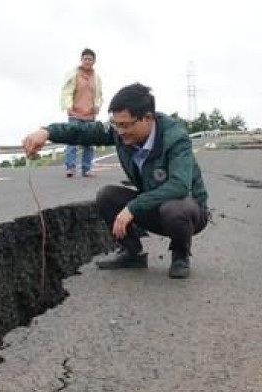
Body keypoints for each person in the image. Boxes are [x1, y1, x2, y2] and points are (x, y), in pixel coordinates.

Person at [23, 83, 209, 279]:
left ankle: (180, 254)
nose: (119, 131)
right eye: (116, 124)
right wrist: (47, 132)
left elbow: (179, 186)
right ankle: (132, 253)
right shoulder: (119, 131)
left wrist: (132, 208)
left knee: (175, 209)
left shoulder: (175, 138)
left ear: (147, 118)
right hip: (152, 205)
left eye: (125, 125)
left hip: (188, 211)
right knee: (107, 196)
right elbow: (83, 131)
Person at [59, 48, 103, 178]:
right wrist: (67, 106)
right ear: (81, 60)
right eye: (85, 59)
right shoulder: (73, 74)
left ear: (94, 61)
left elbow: (99, 95)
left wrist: (97, 106)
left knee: (88, 143)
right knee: (72, 141)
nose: (88, 61)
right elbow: (66, 91)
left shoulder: (96, 77)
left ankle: (86, 169)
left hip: (90, 114)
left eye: (90, 59)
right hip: (75, 113)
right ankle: (70, 168)